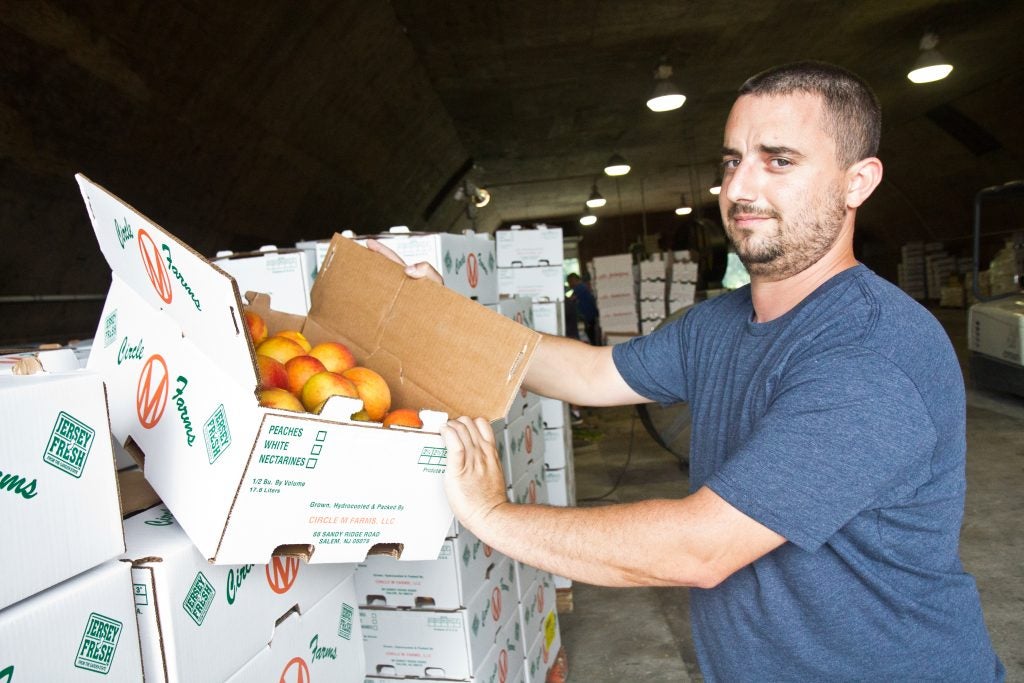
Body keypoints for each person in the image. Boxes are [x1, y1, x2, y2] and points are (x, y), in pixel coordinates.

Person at [368, 61, 1004, 681]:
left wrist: (491, 515)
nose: (739, 190)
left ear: (857, 182)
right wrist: (444, 322)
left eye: (779, 161)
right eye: (732, 161)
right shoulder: (719, 324)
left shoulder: (870, 355)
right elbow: (592, 374)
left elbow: (699, 548)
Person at [566, 272, 600, 345]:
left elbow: (571, 299)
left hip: (589, 316)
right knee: (590, 335)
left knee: (591, 336)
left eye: (570, 282)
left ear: (574, 280)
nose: (569, 284)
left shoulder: (580, 287)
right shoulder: (582, 287)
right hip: (590, 316)